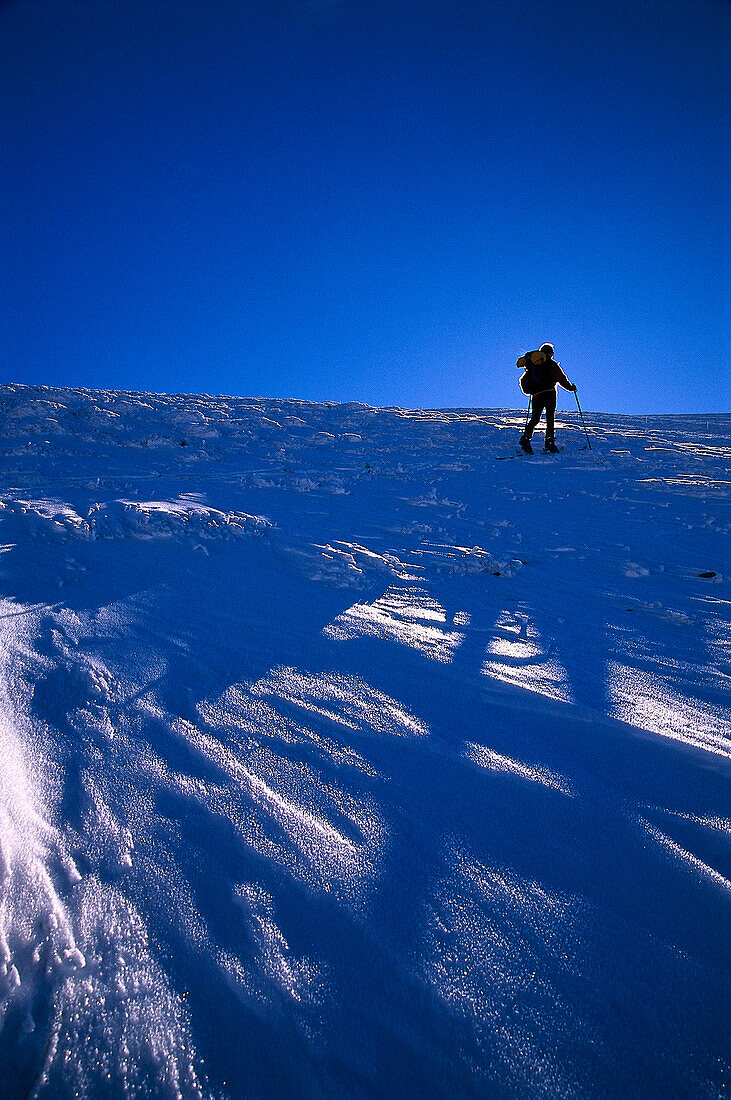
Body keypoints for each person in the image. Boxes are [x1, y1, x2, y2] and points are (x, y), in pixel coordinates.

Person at [519, 343, 576, 453]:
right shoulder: (551, 364)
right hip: (549, 393)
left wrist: (530, 391)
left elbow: (523, 380)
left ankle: (526, 438)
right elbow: (561, 378)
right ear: (550, 354)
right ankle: (549, 442)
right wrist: (570, 388)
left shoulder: (532, 365)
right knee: (550, 418)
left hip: (536, 395)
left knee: (535, 418)